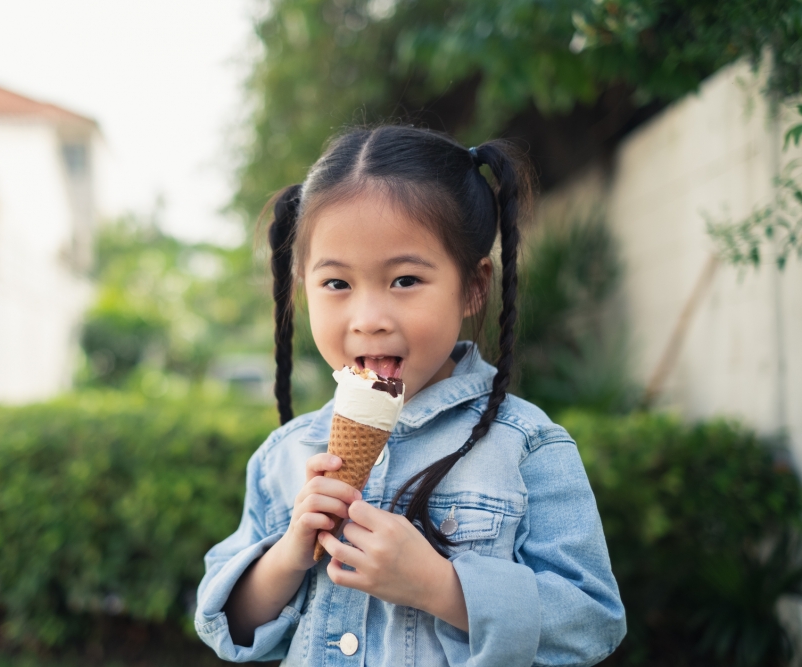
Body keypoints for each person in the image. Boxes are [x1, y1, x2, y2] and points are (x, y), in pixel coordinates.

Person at [195, 125, 626, 666]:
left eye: (404, 280)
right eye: (336, 284)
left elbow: (592, 621)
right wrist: (287, 556)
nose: (369, 320)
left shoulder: (528, 448)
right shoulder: (286, 455)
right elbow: (225, 625)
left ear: (473, 287)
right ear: (303, 287)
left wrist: (441, 586)